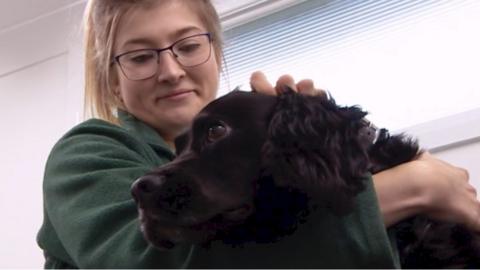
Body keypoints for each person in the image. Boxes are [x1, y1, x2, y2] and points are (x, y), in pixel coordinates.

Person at [36, 0, 479, 268]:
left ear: (214, 52)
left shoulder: (257, 128)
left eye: (188, 46)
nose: (171, 71)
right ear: (113, 81)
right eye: (140, 57)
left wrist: (312, 142)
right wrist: (413, 187)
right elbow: (161, 265)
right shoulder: (90, 151)